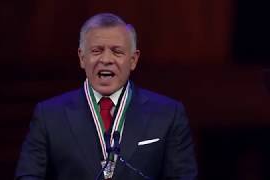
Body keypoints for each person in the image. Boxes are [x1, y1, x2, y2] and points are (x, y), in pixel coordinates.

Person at [15, 13, 198, 180]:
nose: (106, 59)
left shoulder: (168, 114)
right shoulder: (49, 115)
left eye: (117, 51)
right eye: (96, 51)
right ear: (81, 57)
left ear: (133, 60)